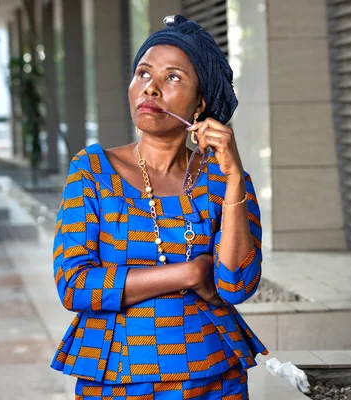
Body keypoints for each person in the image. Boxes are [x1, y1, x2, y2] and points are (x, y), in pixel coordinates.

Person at [51, 15, 267, 399]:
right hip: (118, 378)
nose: (150, 88)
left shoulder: (222, 181)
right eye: (143, 73)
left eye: (172, 78)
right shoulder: (93, 171)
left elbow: (237, 285)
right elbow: (74, 285)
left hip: (214, 376)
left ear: (199, 105)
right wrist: (189, 273)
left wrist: (234, 177)